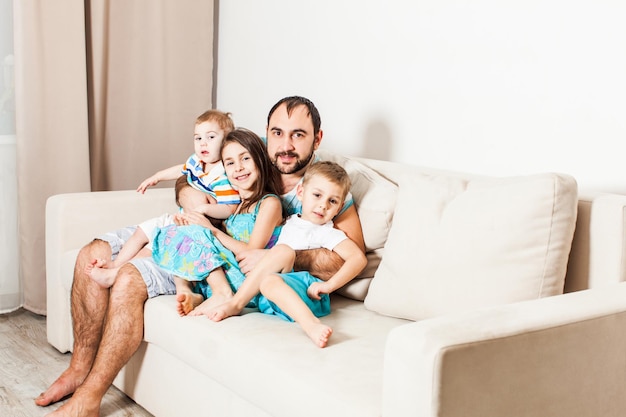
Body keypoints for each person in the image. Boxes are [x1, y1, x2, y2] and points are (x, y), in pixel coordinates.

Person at [35, 96, 365, 416]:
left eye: (299, 135)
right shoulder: (248, 156)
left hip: (215, 252)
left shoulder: (322, 190)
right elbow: (190, 174)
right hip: (190, 229)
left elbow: (343, 257)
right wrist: (191, 199)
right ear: (266, 135)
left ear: (317, 139)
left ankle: (89, 398)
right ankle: (78, 369)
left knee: (126, 279)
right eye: (277, 133)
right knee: (89, 254)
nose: (286, 145)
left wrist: (273, 257)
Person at [230, 161, 367, 348]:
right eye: (317, 195)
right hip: (277, 290)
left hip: (308, 291)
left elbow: (358, 258)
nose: (323, 205)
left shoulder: (327, 232)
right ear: (300, 193)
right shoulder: (290, 221)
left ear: (339, 207)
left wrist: (328, 286)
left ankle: (311, 325)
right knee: (269, 276)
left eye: (332, 201)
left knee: (279, 260)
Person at [152, 127, 285, 316]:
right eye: (230, 163)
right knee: (177, 229)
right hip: (228, 271)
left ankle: (223, 293)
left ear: (260, 160)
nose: (238, 167)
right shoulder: (234, 205)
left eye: (245, 158)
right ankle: (193, 291)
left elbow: (251, 251)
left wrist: (211, 231)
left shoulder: (269, 203)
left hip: (249, 280)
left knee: (196, 231)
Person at [137, 109, 240, 220]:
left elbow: (230, 209)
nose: (203, 143)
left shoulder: (222, 174)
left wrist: (204, 209)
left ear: (227, 141)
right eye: (198, 138)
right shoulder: (196, 161)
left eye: (211, 137)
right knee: (145, 228)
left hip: (204, 223)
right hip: (185, 216)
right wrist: (157, 177)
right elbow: (181, 169)